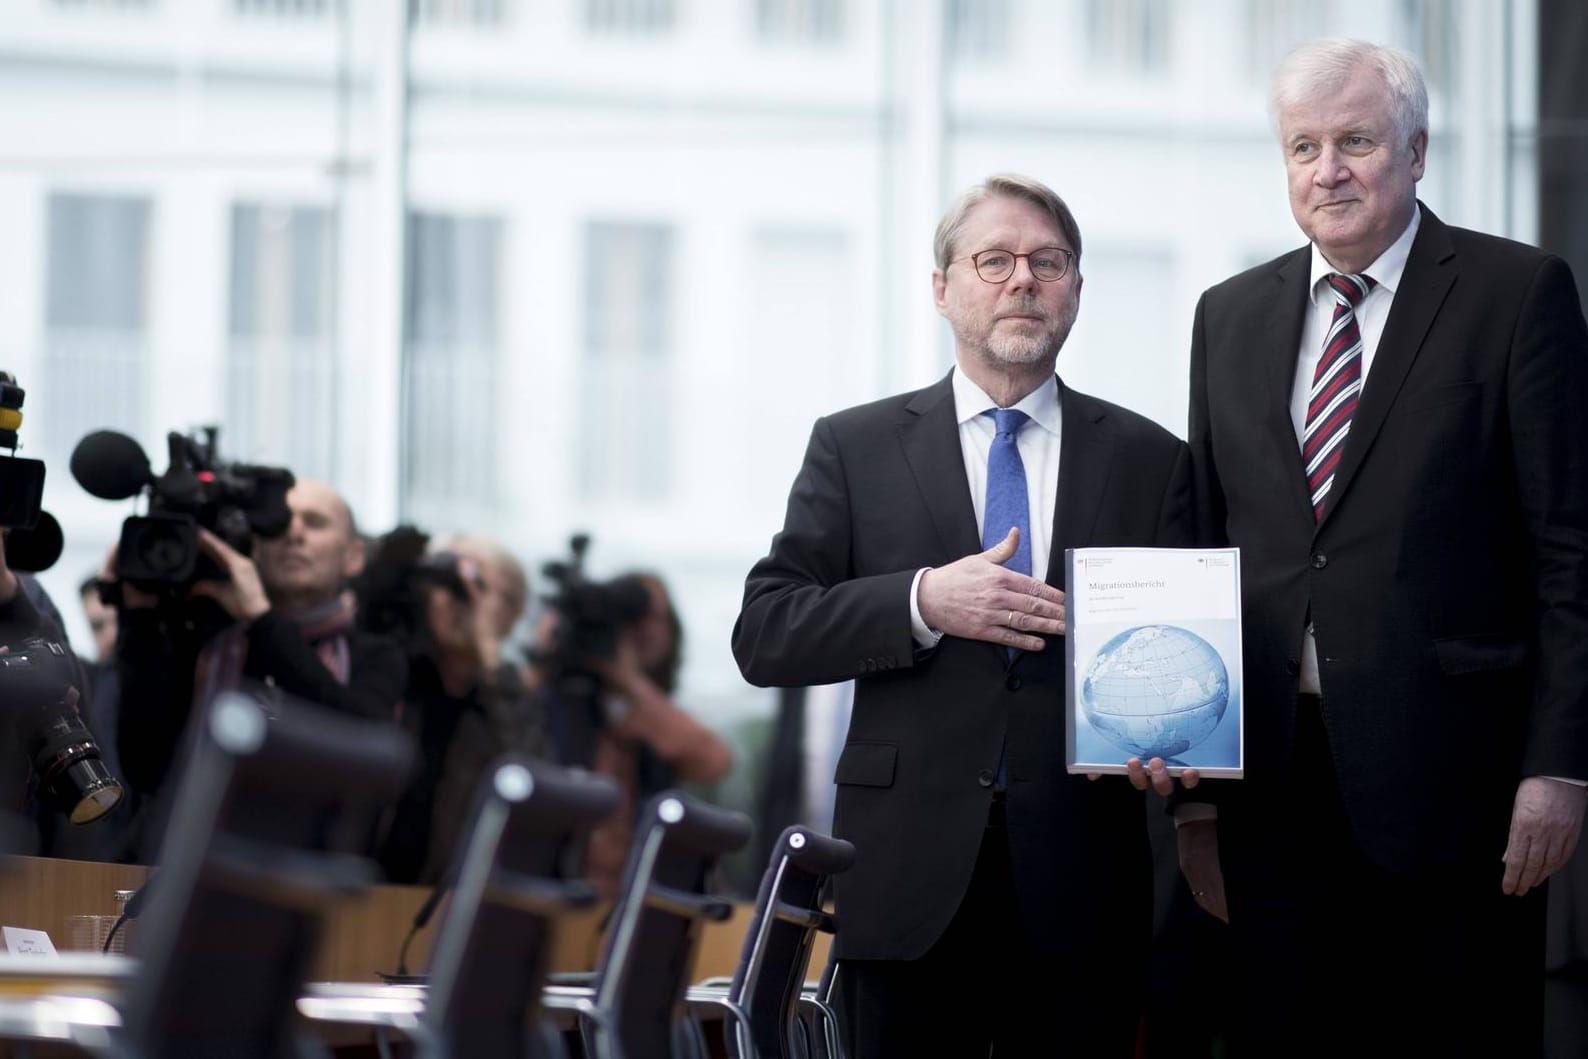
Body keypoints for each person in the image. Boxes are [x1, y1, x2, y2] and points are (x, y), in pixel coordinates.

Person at [1182, 38, 1588, 1055]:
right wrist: (1188, 793)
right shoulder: (1225, 318)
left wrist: (1559, 768)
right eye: (1303, 147)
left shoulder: (1515, 295)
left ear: (1414, 149)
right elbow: (1202, 547)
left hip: (1457, 789)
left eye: (1354, 140)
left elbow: (1570, 553)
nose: (1328, 170)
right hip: (1271, 790)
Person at [733, 173, 1192, 1056]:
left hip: (1083, 887)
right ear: (942, 287)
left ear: (1078, 292)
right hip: (904, 882)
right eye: (995, 260)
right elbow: (766, 630)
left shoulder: (1151, 459)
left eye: (1048, 262)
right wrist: (921, 601)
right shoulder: (856, 445)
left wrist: (1177, 750)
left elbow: (1180, 659)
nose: (1023, 279)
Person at [114, 478, 407, 858]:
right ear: (255, 545)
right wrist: (140, 617)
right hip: (187, 859)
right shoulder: (211, 639)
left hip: (312, 869)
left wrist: (263, 621)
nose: (293, 534)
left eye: (315, 522)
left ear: (353, 556)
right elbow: (146, 768)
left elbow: (360, 744)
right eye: (279, 524)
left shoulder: (376, 654)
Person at [536, 571, 733, 900]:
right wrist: (548, 653)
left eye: (659, 618)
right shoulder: (552, 698)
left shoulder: (648, 710)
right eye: (635, 618)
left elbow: (715, 762)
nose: (648, 630)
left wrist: (627, 679)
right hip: (556, 892)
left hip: (631, 898)